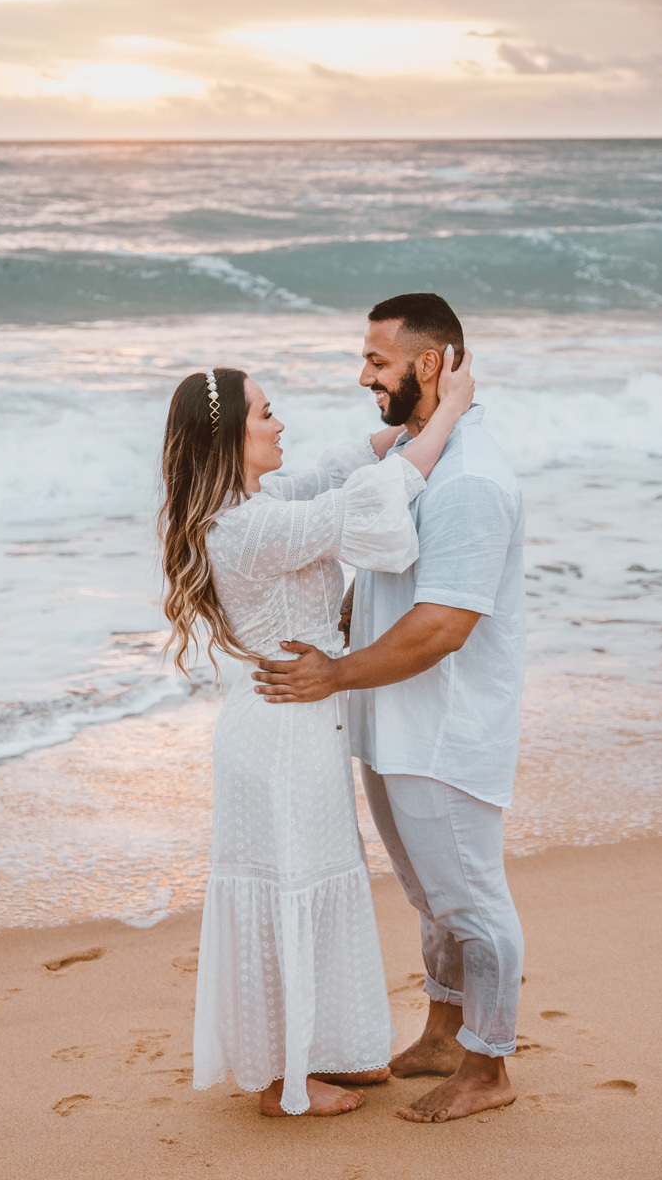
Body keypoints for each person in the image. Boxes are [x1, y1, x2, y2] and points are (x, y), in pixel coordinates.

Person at [158, 351, 475, 1117]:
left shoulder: (257, 504)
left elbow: (342, 468)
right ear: (231, 436)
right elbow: (374, 497)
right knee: (288, 893)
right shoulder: (250, 527)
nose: (279, 424)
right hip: (277, 740)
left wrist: (413, 416)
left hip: (296, 726)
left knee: (313, 882)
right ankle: (283, 1083)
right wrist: (451, 412)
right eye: (265, 413)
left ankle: (313, 1054)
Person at [253, 292, 527, 1124]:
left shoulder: (469, 478)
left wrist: (334, 675)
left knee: (471, 899)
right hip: (393, 720)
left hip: (443, 729)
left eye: (378, 360)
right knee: (430, 893)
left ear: (430, 364)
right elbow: (386, 556)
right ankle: (444, 1033)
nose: (364, 375)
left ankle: (489, 1065)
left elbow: (444, 624)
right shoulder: (416, 448)